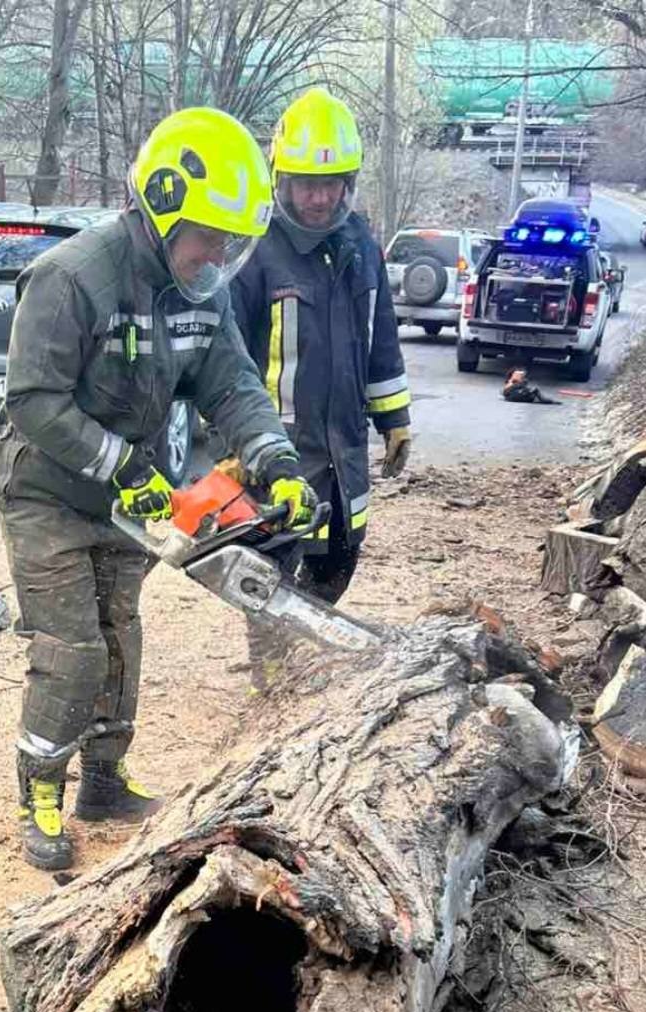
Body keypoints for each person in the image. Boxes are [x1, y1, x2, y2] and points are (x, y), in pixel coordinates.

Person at [0, 107, 316, 871]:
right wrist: (123, 465)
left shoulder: (198, 291)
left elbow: (234, 384)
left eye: (231, 242)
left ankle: (104, 780)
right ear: (164, 204)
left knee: (120, 636)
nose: (219, 255)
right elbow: (32, 399)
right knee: (71, 648)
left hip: (124, 494)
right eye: (210, 236)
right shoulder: (73, 278)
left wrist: (275, 459)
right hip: (46, 488)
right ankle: (39, 785)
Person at [229, 88, 412, 621]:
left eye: (330, 184)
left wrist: (394, 419)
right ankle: (274, 681)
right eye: (307, 184)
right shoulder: (254, 250)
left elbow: (381, 339)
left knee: (335, 572)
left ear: (348, 183)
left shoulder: (360, 244)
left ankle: (299, 673)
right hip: (279, 455)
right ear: (281, 180)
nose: (319, 198)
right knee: (267, 589)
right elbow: (226, 362)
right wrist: (233, 442)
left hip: (344, 455)